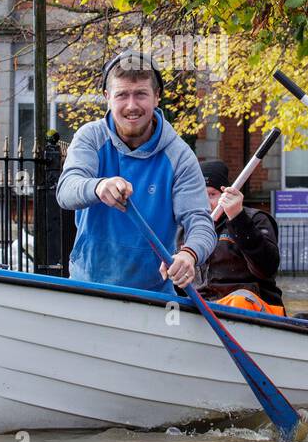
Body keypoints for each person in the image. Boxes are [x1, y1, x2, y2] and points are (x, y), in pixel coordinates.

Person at [56, 51, 216, 293]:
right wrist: (98, 187)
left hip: (152, 296)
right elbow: (66, 190)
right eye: (122, 95)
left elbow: (200, 221)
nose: (132, 106)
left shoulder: (179, 155)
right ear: (107, 97)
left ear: (157, 97)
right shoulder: (91, 137)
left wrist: (189, 254)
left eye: (141, 94)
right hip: (86, 286)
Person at [194, 159, 285, 316]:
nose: (207, 203)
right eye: (201, 195)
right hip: (205, 309)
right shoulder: (187, 228)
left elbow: (266, 268)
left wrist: (237, 218)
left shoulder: (256, 219)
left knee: (240, 300)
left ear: (225, 194)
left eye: (212, 194)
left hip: (251, 308)